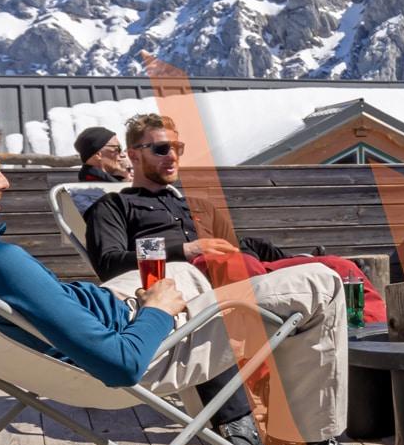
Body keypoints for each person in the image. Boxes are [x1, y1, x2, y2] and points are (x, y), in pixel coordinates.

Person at [0, 106, 381, 445]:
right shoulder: (1, 261)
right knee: (321, 282)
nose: (4, 183)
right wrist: (157, 310)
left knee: (181, 271)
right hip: (130, 347)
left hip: (89, 321)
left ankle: (237, 428)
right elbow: (120, 366)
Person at [83, 114, 385, 322]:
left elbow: (235, 249)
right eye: (162, 149)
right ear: (134, 155)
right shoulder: (114, 206)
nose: (172, 156)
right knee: (229, 263)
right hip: (188, 285)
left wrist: (299, 258)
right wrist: (184, 251)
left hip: (243, 274)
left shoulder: (195, 206)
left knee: (338, 268)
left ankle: (370, 350)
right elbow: (109, 264)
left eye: (177, 148)